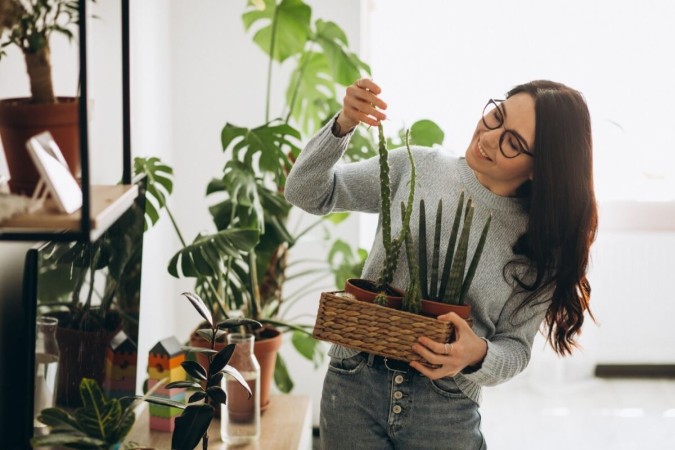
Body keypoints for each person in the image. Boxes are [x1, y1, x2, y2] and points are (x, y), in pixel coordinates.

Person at [285, 79, 597, 450]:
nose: (490, 136)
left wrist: (476, 353)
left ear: (540, 168)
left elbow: (516, 347)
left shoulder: (541, 243)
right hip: (354, 383)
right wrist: (343, 125)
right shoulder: (418, 166)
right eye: (496, 117)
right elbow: (306, 191)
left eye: (513, 142)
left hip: (444, 406)